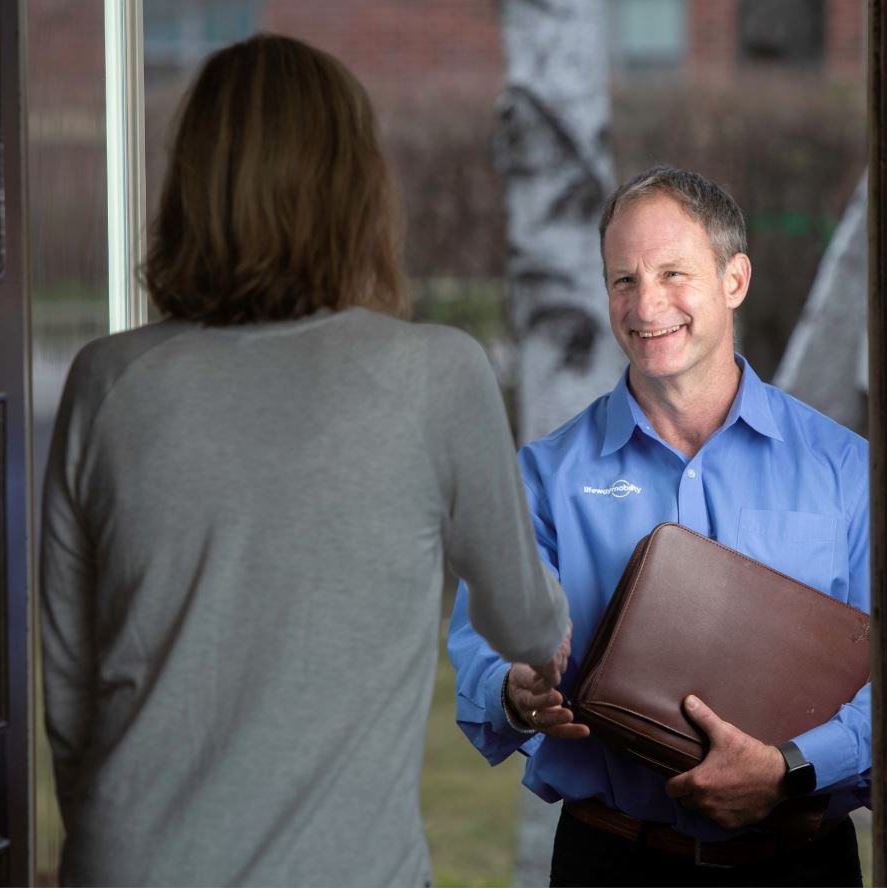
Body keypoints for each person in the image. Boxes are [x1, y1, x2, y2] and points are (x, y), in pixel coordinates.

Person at [40, 34, 569, 887]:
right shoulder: (435, 375)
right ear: (357, 189)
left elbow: (68, 695)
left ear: (190, 188)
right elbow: (528, 626)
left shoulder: (107, 382)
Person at [448, 166, 870, 887]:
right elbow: (480, 650)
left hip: (801, 864)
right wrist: (514, 689)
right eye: (623, 280)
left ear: (733, 280)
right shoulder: (543, 476)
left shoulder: (845, 468)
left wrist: (787, 769)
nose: (646, 305)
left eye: (673, 273)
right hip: (610, 862)